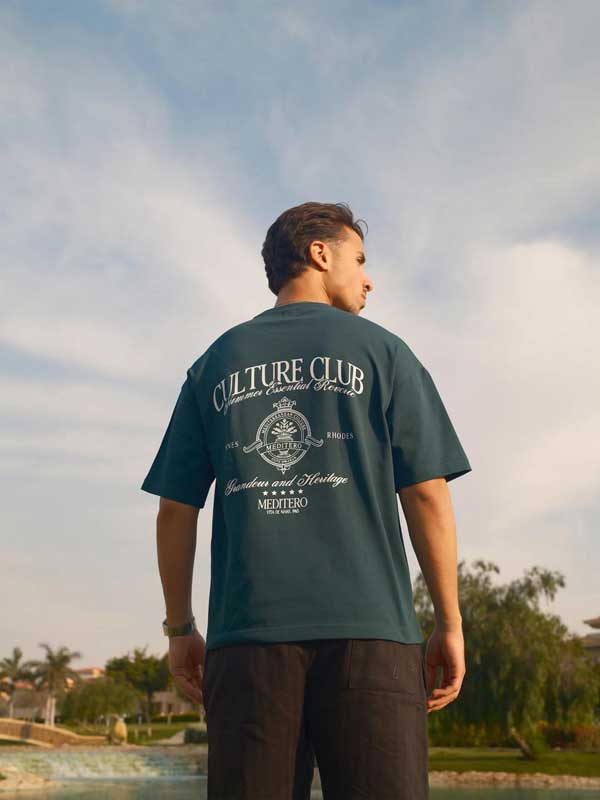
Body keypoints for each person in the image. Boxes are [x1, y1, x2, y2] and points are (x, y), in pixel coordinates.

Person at [141, 201, 472, 799]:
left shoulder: (213, 364)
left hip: (247, 642)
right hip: (372, 637)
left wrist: (179, 627)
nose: (369, 279)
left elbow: (175, 509)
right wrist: (449, 622)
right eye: (360, 259)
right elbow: (426, 493)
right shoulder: (385, 353)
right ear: (320, 254)